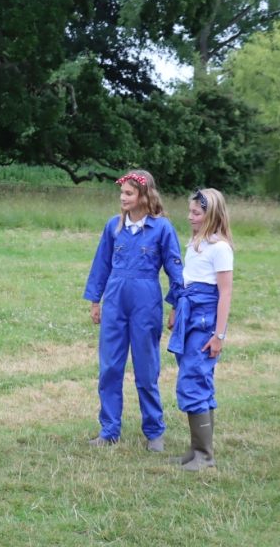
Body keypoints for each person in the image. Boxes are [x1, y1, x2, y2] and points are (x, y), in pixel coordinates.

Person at [83, 170, 183, 451]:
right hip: (115, 301)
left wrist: (175, 304)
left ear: (144, 196)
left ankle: (154, 432)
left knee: (146, 368)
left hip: (146, 302)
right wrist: (95, 301)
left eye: (128, 193)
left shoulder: (162, 228)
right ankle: (109, 429)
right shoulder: (113, 226)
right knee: (110, 367)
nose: (122, 198)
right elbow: (101, 265)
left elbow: (176, 270)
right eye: (122, 193)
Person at [166, 188, 234, 471]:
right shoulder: (195, 242)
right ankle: (195, 450)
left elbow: (225, 293)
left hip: (205, 320)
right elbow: (186, 280)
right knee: (195, 378)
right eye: (190, 211)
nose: (190, 217)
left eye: (196, 213)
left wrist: (219, 335)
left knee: (194, 379)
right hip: (188, 313)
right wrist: (175, 311)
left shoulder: (220, 249)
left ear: (212, 215)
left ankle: (205, 456)